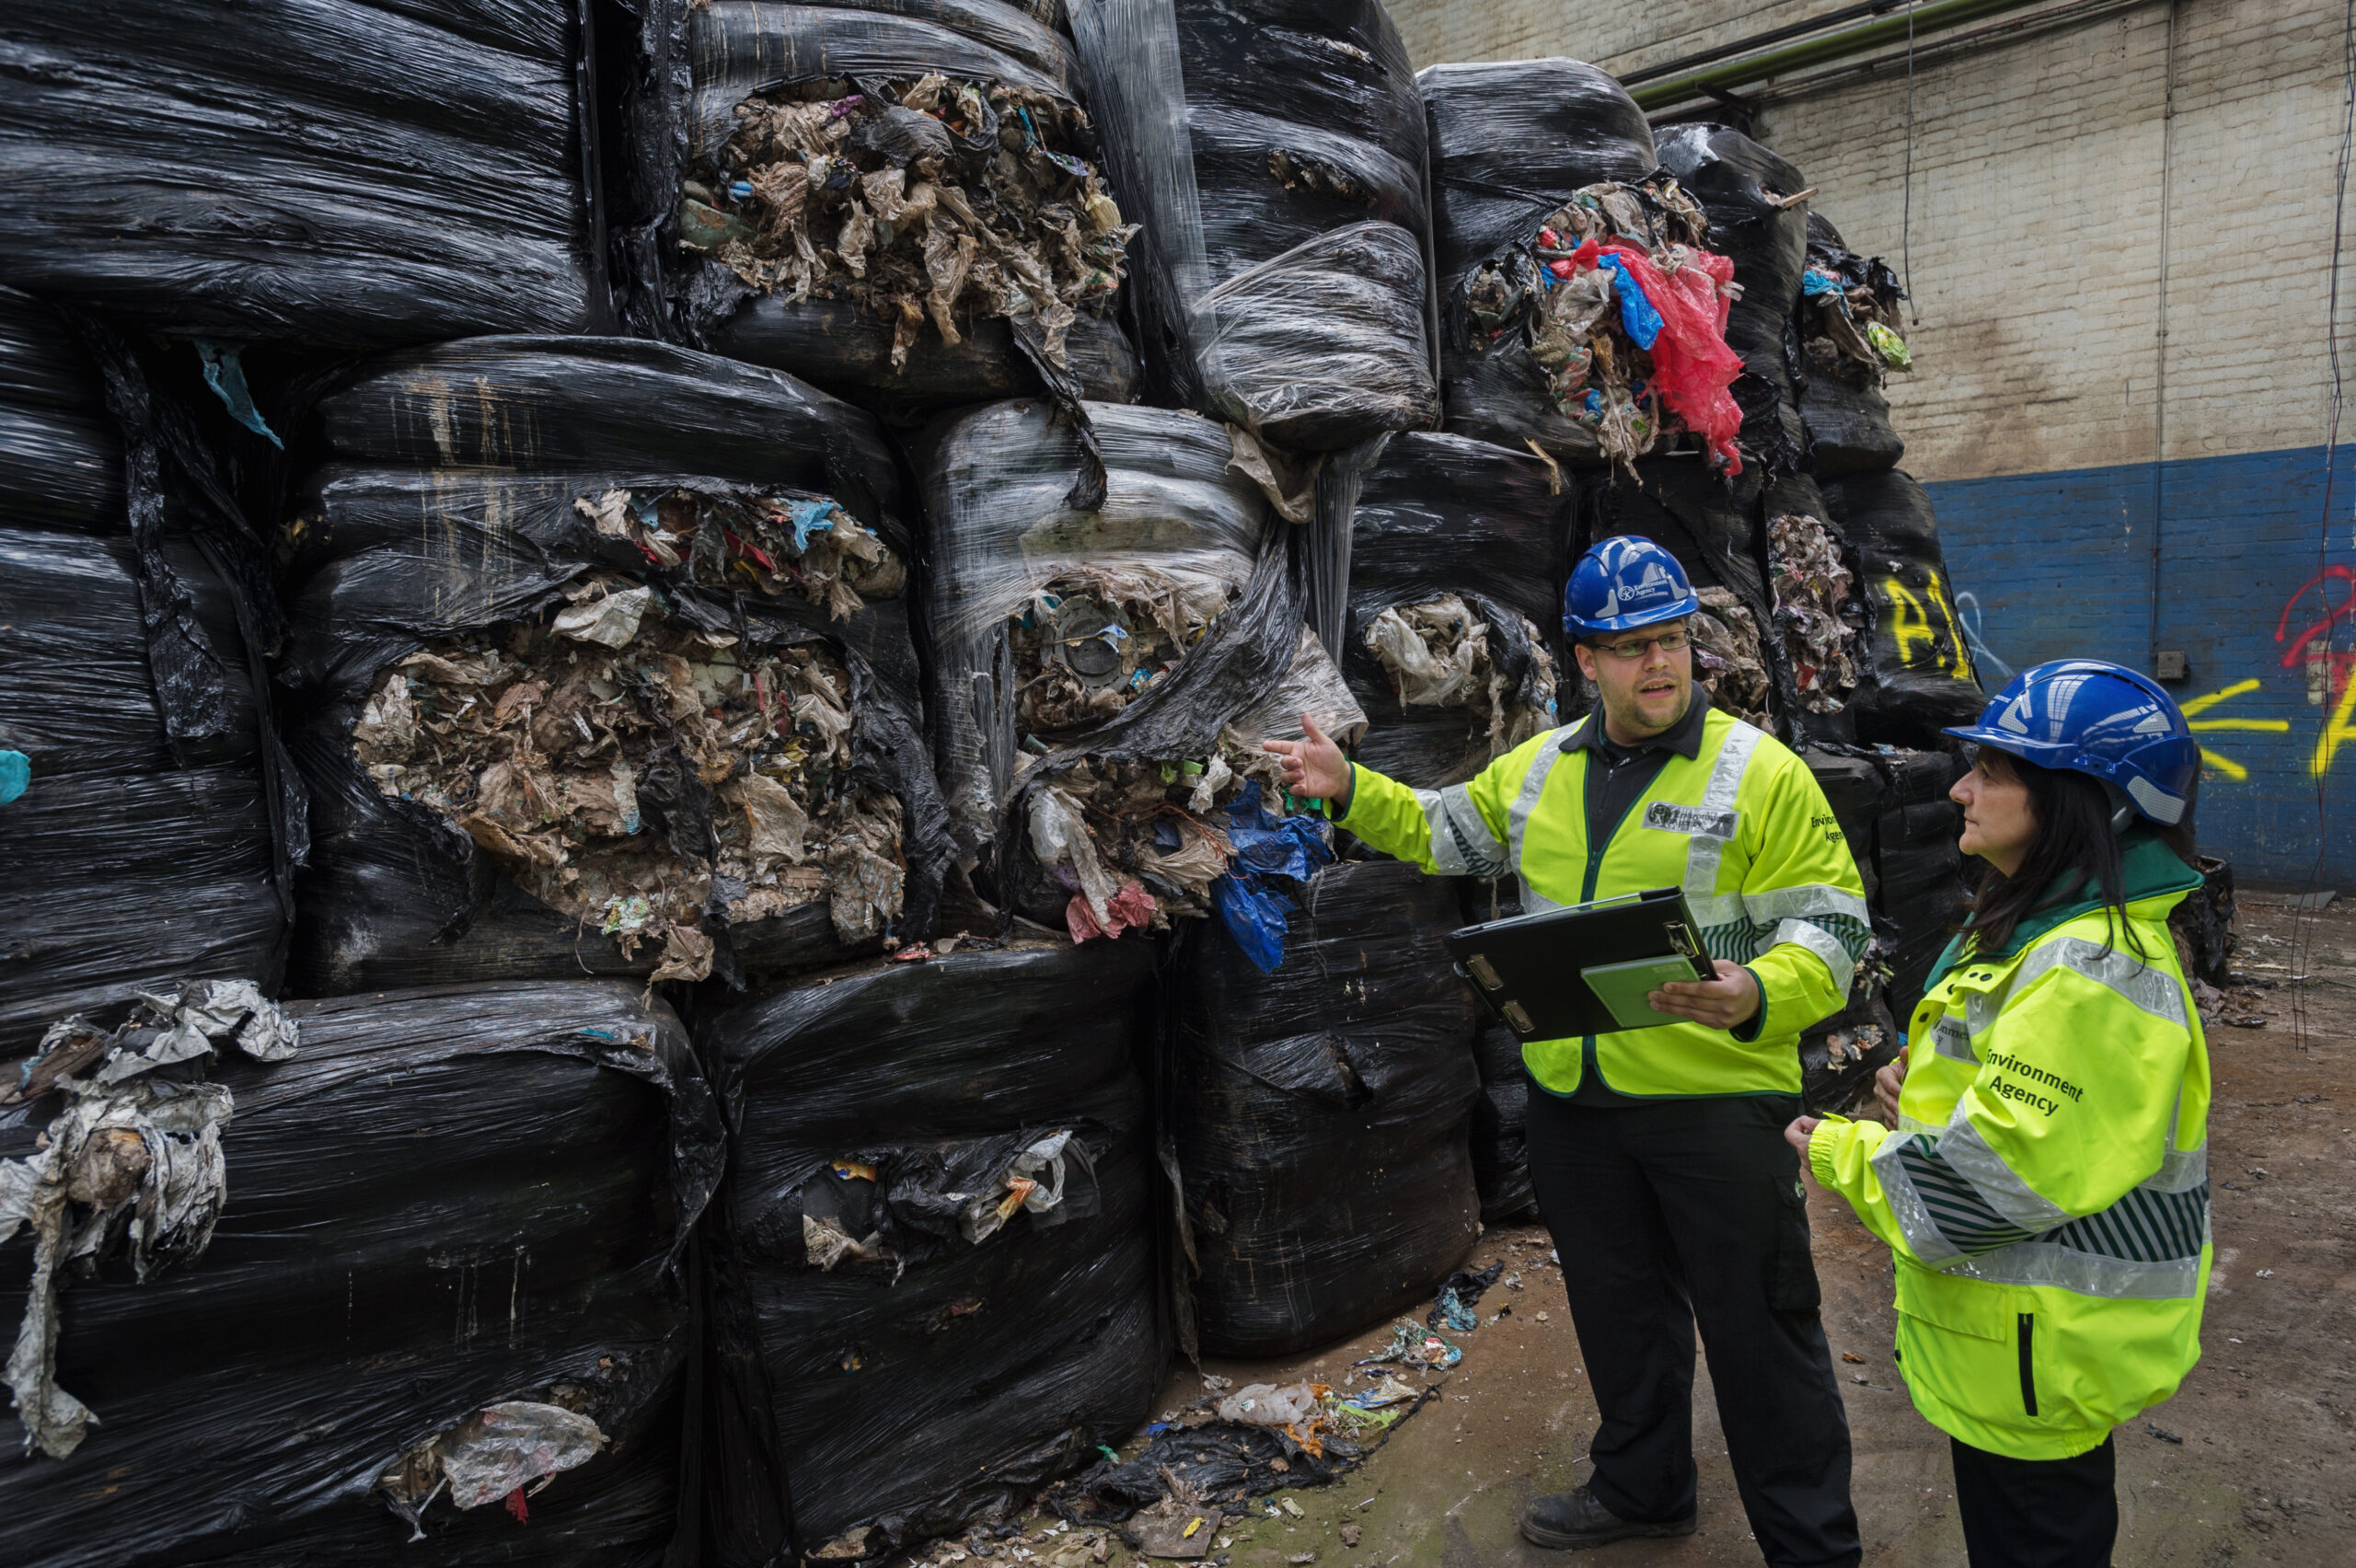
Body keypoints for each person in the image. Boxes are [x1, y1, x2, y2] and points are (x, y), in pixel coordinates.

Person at [1267, 536, 1868, 1565]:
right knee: (1619, 1315)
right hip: (1576, 1104)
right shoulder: (1541, 766)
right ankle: (1643, 1489)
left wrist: (1762, 990)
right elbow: (1446, 830)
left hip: (1715, 1103)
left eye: (1672, 640)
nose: (1659, 663)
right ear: (1586, 660)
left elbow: (1835, 927)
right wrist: (1349, 786)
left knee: (1761, 1330)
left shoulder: (1759, 773)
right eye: (1631, 646)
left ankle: (1812, 1545)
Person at [1791, 659, 2210, 1567]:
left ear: (2081, 801)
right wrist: (1923, 1101)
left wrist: (1840, 1151)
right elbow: (2039, 1112)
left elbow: (1980, 1191)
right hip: (2020, 1351)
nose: (1959, 790)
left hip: (2039, 1359)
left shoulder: (2089, 972)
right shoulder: (2036, 929)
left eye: (1989, 771)